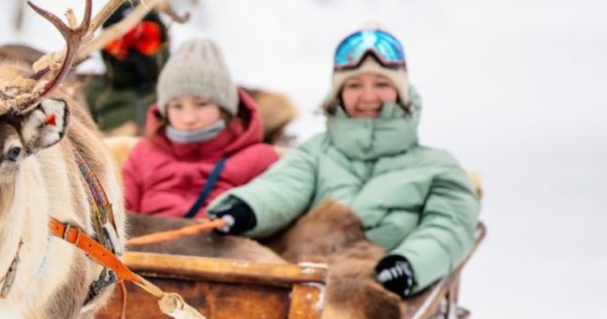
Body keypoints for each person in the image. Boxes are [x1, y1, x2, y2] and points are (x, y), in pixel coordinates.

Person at [206, 27, 480, 297]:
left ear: (402, 92)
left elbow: (449, 228)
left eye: (382, 84)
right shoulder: (314, 154)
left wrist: (408, 264)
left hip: (374, 294)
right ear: (338, 94)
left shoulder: (438, 168)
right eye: (355, 85)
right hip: (305, 285)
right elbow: (282, 188)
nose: (368, 96)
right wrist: (246, 208)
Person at [121, 38, 280, 218]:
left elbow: (273, 209)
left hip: (224, 243)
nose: (188, 118)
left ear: (223, 108)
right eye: (177, 106)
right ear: (164, 110)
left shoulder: (259, 159)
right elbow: (122, 214)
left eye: (201, 104)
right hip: (145, 244)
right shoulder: (142, 154)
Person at [83, 0, 170, 135]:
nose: (133, 52)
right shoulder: (88, 96)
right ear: (106, 47)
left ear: (163, 41)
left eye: (144, 39)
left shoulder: (181, 91)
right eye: (121, 42)